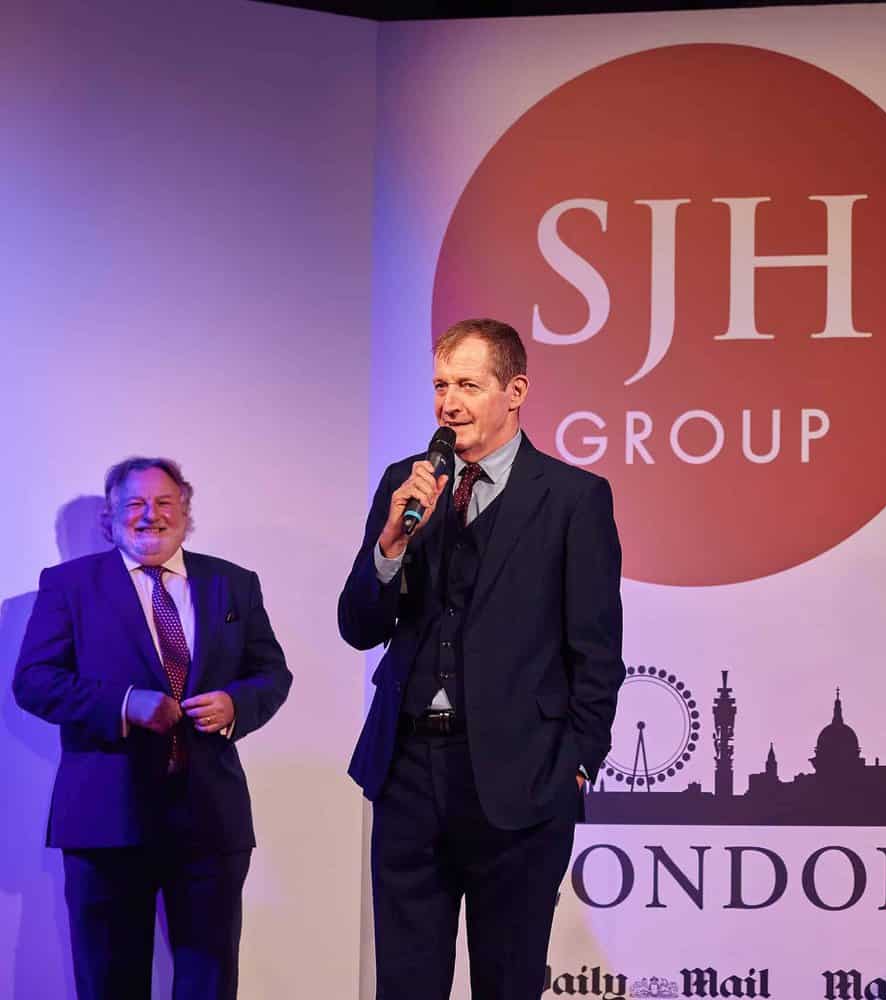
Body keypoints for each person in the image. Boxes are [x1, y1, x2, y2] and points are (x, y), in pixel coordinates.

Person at [339, 317, 625, 1000]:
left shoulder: (571, 498)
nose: (448, 403)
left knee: (506, 981)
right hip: (408, 772)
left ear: (515, 390)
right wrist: (390, 543)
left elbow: (596, 652)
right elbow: (357, 626)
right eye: (440, 385)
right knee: (405, 984)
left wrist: (575, 767)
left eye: (467, 384)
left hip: (521, 781)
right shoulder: (403, 484)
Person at [12, 457, 292, 1000]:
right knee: (110, 983)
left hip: (211, 820)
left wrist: (236, 704)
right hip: (105, 821)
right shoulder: (69, 585)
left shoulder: (233, 583)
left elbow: (272, 674)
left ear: (185, 511)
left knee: (208, 983)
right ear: (109, 519)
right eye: (134, 504)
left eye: (164, 503)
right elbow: (34, 681)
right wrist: (123, 704)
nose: (150, 516)